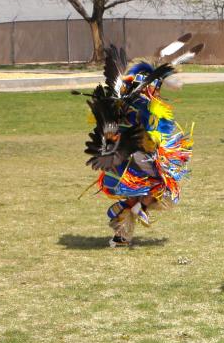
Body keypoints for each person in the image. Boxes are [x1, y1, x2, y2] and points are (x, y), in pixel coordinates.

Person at [81, 35, 200, 247]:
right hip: (133, 156)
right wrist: (153, 140)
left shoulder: (122, 99)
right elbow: (153, 132)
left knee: (140, 191)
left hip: (118, 155)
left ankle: (122, 230)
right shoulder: (145, 104)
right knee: (163, 183)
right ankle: (136, 209)